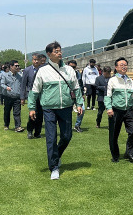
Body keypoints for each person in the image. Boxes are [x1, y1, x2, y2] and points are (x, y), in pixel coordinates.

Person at [28, 41, 84, 180]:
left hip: (65, 107)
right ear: (49, 54)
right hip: (49, 109)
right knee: (51, 137)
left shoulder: (69, 70)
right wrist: (32, 108)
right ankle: (54, 167)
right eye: (56, 51)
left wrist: (79, 103)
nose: (59, 53)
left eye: (60, 51)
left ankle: (56, 155)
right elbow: (34, 91)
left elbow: (76, 88)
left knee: (67, 136)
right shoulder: (43, 71)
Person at [105, 57, 133, 163]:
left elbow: (132, 97)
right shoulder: (112, 80)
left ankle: (129, 153)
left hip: (128, 110)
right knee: (114, 134)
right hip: (115, 111)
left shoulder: (130, 81)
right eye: (121, 65)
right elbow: (107, 96)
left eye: (125, 65)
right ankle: (115, 155)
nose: (124, 66)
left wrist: (132, 109)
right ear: (116, 67)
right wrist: (109, 108)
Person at [21, 53, 46, 139]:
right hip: (31, 94)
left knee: (40, 115)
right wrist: (22, 97)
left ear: (40, 61)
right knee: (32, 113)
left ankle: (37, 132)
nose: (36, 61)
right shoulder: (27, 70)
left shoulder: (43, 70)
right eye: (34, 60)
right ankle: (30, 131)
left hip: (41, 95)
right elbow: (23, 84)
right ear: (32, 60)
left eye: (37, 60)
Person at [1, 60, 24, 131]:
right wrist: (6, 87)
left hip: (17, 97)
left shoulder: (20, 76)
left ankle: (18, 126)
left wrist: (22, 97)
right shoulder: (5, 75)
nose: (18, 67)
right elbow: (2, 84)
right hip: (8, 97)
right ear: (11, 66)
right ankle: (6, 125)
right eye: (16, 66)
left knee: (17, 113)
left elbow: (22, 87)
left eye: (18, 66)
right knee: (7, 111)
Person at [68, 60, 86, 133]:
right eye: (70, 67)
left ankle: (77, 125)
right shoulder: (64, 74)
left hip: (77, 94)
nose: (72, 68)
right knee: (67, 111)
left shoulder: (78, 74)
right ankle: (67, 126)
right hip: (67, 95)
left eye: (74, 67)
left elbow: (81, 84)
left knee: (82, 109)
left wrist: (82, 94)